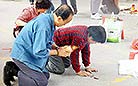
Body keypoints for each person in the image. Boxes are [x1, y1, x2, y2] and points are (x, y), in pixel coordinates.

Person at [10, 4, 74, 86]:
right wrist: (58, 52)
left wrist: (58, 48)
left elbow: (48, 41)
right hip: (22, 55)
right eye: (65, 23)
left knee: (45, 75)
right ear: (59, 18)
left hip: (29, 52)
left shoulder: (49, 19)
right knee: (41, 82)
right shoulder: (43, 27)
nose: (64, 25)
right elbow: (39, 51)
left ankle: (21, 70)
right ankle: (16, 71)